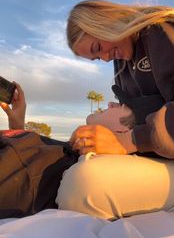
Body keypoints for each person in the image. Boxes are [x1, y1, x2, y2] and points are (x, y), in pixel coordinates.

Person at [61, 0, 174, 220]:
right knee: (78, 166)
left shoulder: (160, 32)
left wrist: (125, 142)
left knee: (83, 184)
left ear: (102, 22)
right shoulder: (122, 63)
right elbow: (141, 118)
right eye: (97, 58)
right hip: (163, 159)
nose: (105, 58)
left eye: (98, 48)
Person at [0, 83, 134, 218]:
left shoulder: (61, 166)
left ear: (124, 132)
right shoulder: (65, 153)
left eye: (121, 105)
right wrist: (17, 128)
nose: (111, 103)